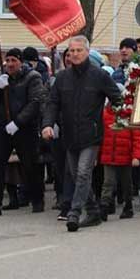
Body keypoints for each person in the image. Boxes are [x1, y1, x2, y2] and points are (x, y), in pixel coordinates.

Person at [42, 36, 122, 231]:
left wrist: (121, 115)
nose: (75, 54)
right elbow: (53, 103)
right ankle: (93, 211)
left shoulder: (99, 75)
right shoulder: (62, 77)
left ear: (87, 52)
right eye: (72, 51)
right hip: (69, 135)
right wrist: (48, 124)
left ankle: (74, 213)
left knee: (83, 173)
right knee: (77, 174)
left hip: (91, 135)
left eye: (79, 50)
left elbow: (117, 98)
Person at [0, 48, 46, 216]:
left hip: (24, 127)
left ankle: (37, 200)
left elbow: (35, 102)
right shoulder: (3, 78)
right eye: (7, 61)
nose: (10, 64)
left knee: (30, 165)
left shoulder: (33, 78)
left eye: (13, 61)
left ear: (20, 62)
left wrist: (18, 122)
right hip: (3, 126)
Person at [99, 104, 140, 220]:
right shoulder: (104, 114)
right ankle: (104, 207)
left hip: (125, 156)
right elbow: (100, 134)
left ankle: (128, 206)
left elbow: (137, 137)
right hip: (109, 155)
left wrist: (136, 156)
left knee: (126, 183)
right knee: (108, 182)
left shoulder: (130, 115)